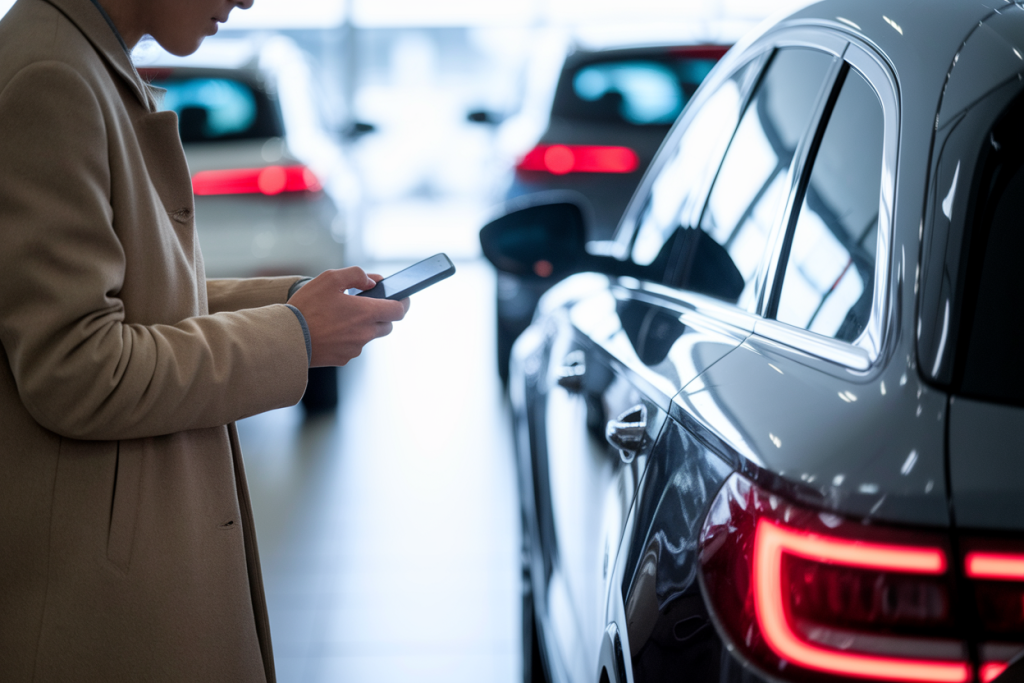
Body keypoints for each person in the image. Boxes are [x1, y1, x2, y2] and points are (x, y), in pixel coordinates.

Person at [0, 0, 409, 680]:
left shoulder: (82, 59)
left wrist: (290, 304)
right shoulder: (52, 76)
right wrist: (295, 334)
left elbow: (136, 300)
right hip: (96, 608)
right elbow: (78, 367)